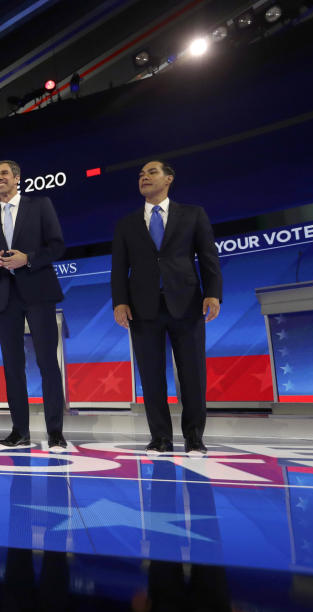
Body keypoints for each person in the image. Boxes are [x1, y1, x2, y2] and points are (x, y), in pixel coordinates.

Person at [111, 160, 222, 455]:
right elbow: (119, 268)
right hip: (142, 308)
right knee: (151, 375)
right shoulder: (126, 224)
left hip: (186, 305)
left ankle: (194, 437)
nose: (144, 177)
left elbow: (208, 257)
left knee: (193, 374)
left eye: (151, 172)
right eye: (140, 175)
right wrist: (120, 302)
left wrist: (213, 294)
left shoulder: (193, 214)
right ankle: (160, 437)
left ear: (169, 179)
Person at [0, 160, 68, 450]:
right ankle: (20, 431)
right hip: (6, 297)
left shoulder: (40, 205)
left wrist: (27, 258)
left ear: (17, 178)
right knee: (12, 366)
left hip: (39, 291)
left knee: (46, 363)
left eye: (4, 173)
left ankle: (55, 431)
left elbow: (56, 246)